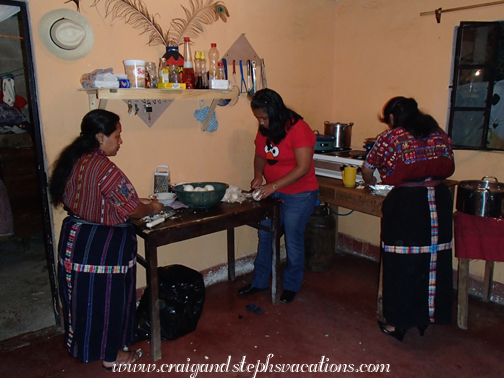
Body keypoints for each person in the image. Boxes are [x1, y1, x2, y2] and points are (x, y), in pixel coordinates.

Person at [49, 109, 164, 370]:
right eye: (117, 135)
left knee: (83, 302)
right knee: (110, 301)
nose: (120, 141)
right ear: (101, 137)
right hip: (102, 247)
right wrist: (153, 208)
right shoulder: (104, 168)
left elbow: (101, 200)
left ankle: (85, 347)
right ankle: (113, 356)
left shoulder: (75, 159)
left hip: (75, 241)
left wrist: (139, 202)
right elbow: (132, 210)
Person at [361, 97, 455, 341]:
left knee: (401, 264)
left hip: (408, 203)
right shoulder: (438, 133)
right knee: (433, 260)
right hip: (439, 200)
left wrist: (371, 184)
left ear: (392, 118)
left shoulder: (391, 137)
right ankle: (428, 318)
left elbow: (368, 168)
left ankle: (399, 324)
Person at [237, 88, 319, 304]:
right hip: (274, 191)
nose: (261, 123)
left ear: (274, 111)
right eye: (258, 119)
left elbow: (302, 168)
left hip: (301, 193)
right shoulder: (265, 129)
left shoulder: (298, 128)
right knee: (265, 235)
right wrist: (257, 176)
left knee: (293, 237)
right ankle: (259, 281)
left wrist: (272, 186)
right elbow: (259, 155)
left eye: (264, 118)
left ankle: (291, 285)